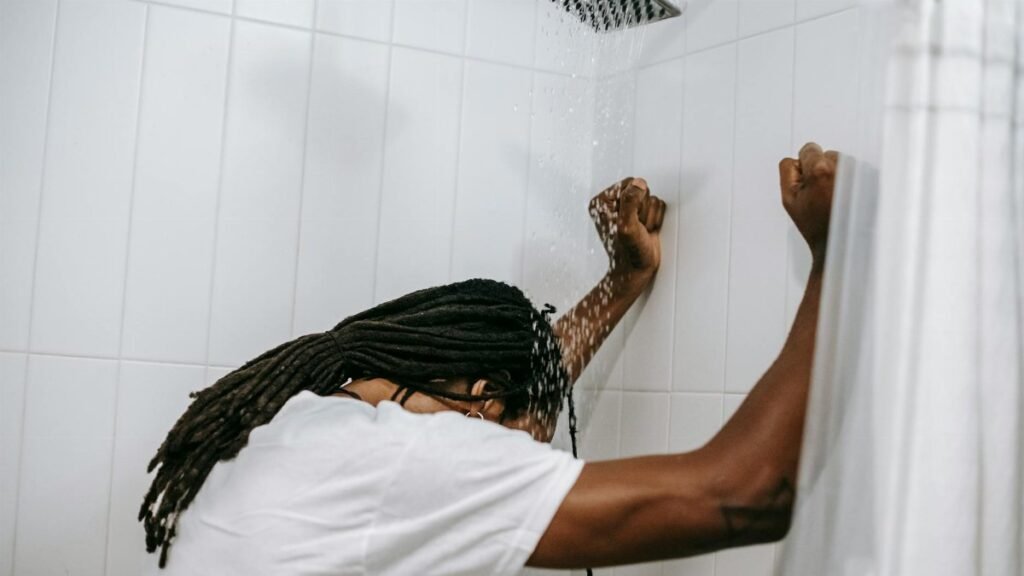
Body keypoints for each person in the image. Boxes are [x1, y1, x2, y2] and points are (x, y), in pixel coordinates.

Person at [140, 142, 838, 575]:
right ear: (481, 398)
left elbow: (513, 397)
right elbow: (750, 496)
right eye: (522, 441)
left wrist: (621, 283)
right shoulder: (405, 459)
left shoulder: (312, 424)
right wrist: (837, 257)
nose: (515, 459)